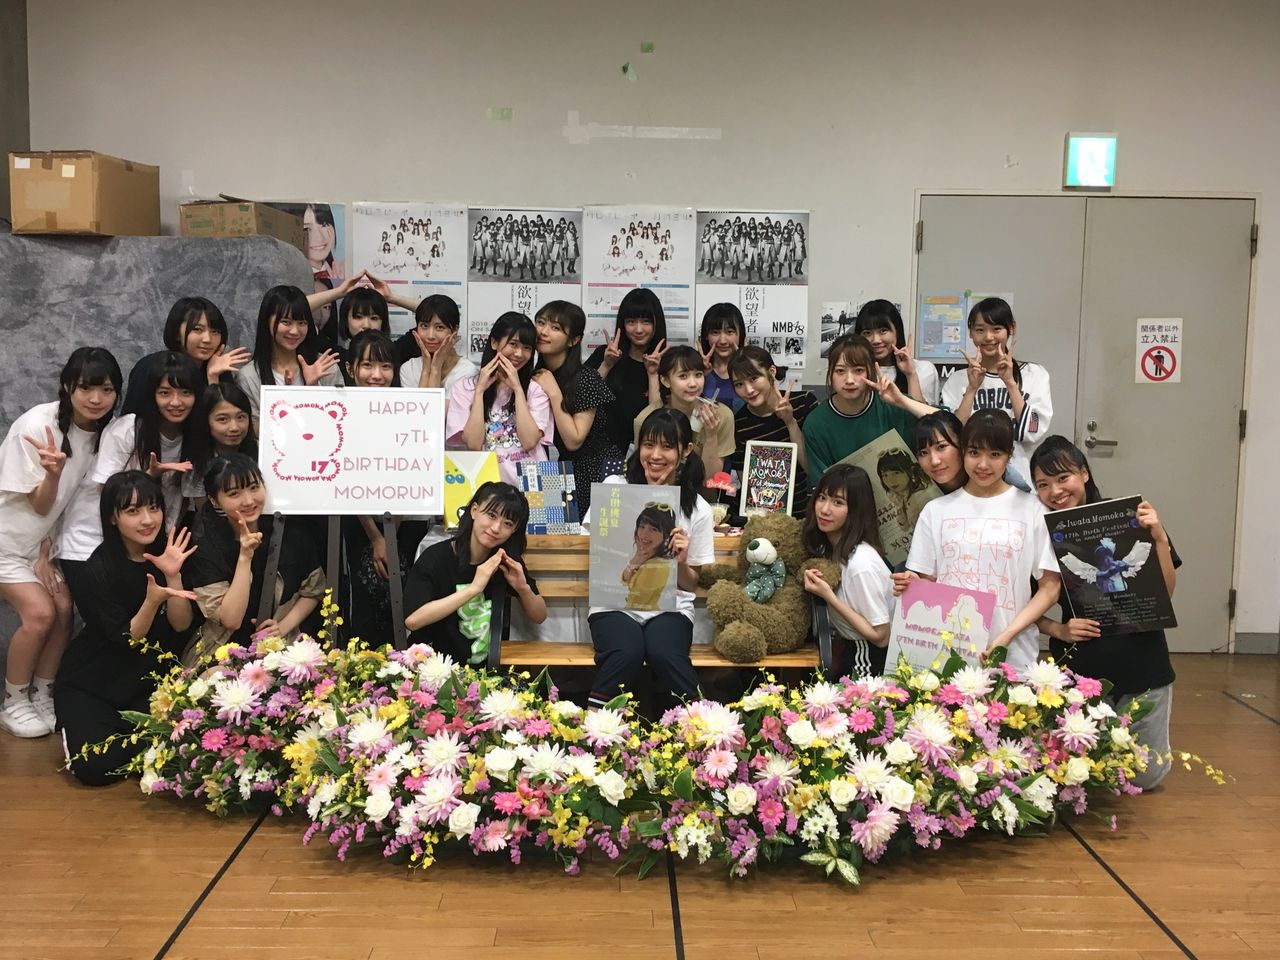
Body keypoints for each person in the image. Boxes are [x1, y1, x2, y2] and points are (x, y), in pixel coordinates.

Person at [1030, 435, 1178, 789]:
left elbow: (1166, 593)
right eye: (1043, 484)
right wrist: (1058, 630)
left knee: (1145, 777)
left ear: (1084, 473)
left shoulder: (1127, 518)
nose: (1055, 491)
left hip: (1142, 662)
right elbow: (1026, 604)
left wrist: (1159, 538)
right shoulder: (1041, 534)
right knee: (1080, 777)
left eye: (1063, 477)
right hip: (1082, 667)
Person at [0, 348, 121, 737]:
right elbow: (40, 504)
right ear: (68, 386)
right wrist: (52, 473)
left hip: (36, 544)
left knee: (65, 610)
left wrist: (46, 552)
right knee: (40, 614)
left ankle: (42, 693)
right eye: (86, 388)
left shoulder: (101, 432)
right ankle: (13, 702)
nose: (96, 399)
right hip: (4, 541)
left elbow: (69, 505)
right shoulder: (38, 426)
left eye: (107, 390)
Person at [56, 472, 198, 783]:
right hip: (94, 683)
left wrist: (173, 576)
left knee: (178, 758)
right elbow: (128, 639)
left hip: (146, 684)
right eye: (133, 511)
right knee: (96, 768)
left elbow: (181, 624)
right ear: (112, 517)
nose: (147, 519)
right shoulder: (97, 567)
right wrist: (151, 601)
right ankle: (79, 730)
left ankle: (131, 739)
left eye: (153, 507)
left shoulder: (171, 554)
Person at [899, 410, 1061, 673]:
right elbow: (927, 584)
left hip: (1014, 655)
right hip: (948, 656)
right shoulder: (935, 511)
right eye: (974, 452)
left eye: (995, 454)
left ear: (1009, 455)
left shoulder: (1032, 509)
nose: (983, 465)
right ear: (963, 451)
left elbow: (1050, 588)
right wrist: (910, 583)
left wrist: (1006, 636)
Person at [587, 408, 713, 711]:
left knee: (665, 653)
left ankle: (702, 725)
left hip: (671, 608)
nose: (656, 455)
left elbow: (691, 585)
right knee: (626, 651)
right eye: (648, 444)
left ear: (686, 451)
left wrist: (680, 561)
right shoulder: (615, 488)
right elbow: (603, 554)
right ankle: (597, 725)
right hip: (614, 605)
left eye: (667, 447)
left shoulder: (697, 508)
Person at [186, 454, 326, 663]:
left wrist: (282, 627)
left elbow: (313, 590)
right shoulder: (207, 547)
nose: (249, 501)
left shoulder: (290, 534)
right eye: (234, 493)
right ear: (214, 500)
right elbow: (231, 620)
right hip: (222, 652)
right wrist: (245, 557)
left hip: (281, 650)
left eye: (254, 487)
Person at [404, 481, 545, 664]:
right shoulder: (436, 557)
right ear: (474, 511)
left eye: (507, 523)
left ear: (514, 530)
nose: (496, 528)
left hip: (486, 669)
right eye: (491, 515)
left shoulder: (505, 561)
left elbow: (539, 616)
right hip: (434, 667)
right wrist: (474, 589)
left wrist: (523, 588)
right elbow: (413, 620)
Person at [941, 297, 1052, 489]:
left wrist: (1010, 382)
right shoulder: (957, 380)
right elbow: (951, 435)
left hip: (1020, 481)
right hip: (970, 479)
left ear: (1011, 328)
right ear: (970, 332)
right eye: (980, 330)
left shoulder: (1034, 374)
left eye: (996, 329)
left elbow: (1033, 430)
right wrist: (971, 389)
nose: (988, 337)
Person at [799, 464, 894, 677]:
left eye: (838, 502)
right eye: (822, 497)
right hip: (850, 649)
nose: (825, 509)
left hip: (870, 658)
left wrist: (829, 597)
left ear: (856, 509)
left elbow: (881, 636)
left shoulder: (861, 563)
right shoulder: (830, 549)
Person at [802, 333, 937, 482]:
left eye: (858, 370)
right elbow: (822, 483)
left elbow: (947, 423)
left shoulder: (895, 407)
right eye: (840, 371)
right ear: (830, 373)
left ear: (871, 371)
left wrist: (903, 401)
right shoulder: (816, 423)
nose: (849, 380)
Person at [531, 300, 622, 515]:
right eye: (541, 323)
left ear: (574, 340)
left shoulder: (585, 377)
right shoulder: (535, 377)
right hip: (557, 468)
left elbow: (574, 440)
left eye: (555, 328)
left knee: (593, 534)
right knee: (554, 532)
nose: (544, 332)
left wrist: (554, 392)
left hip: (598, 471)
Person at [446, 312, 554, 487]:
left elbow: (529, 442)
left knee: (553, 504)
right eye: (513, 344)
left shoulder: (536, 389)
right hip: (488, 486)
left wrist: (518, 390)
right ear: (494, 342)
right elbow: (473, 444)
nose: (519, 353)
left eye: (527, 348)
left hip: (536, 484)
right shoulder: (465, 388)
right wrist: (479, 391)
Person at [727, 344, 817, 518]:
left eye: (754, 378)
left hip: (801, 517)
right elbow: (749, 487)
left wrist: (790, 422)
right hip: (760, 518)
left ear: (772, 372)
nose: (749, 390)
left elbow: (812, 469)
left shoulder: (804, 403)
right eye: (739, 384)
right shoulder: (739, 424)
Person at [235, 285, 343, 428]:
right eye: (286, 322)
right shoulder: (249, 377)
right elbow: (252, 431)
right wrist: (288, 398)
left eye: (302, 323)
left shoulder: (326, 367)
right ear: (267, 321)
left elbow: (340, 420)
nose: (295, 331)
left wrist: (314, 389)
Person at [121, 297, 250, 415]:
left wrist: (213, 379)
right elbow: (130, 420)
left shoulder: (219, 369)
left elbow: (224, 422)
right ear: (177, 333)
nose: (207, 339)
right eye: (197, 329)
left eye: (215, 331)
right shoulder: (150, 367)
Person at [584, 288, 666, 457]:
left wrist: (653, 374)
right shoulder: (604, 355)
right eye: (631, 322)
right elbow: (581, 398)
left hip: (649, 456)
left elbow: (659, 419)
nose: (638, 329)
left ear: (656, 323)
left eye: (646, 322)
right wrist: (606, 365)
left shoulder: (667, 363)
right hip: (602, 454)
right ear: (622, 324)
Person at [633, 347, 735, 482]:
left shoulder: (721, 415)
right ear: (665, 380)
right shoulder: (646, 419)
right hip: (661, 489)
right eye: (683, 376)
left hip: (703, 493)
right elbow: (644, 470)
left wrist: (711, 435)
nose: (693, 384)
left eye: (698, 375)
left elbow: (709, 479)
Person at [182, 380, 258, 514]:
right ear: (206, 422)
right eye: (222, 419)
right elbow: (204, 513)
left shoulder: (263, 453)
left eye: (241, 417)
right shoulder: (197, 462)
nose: (234, 427)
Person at [853, 299, 940, 406]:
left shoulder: (923, 369)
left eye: (883, 331)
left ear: (897, 332)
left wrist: (910, 374)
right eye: (867, 333)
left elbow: (924, 415)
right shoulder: (852, 372)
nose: (876, 340)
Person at [396, 294, 479, 394]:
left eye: (440, 327)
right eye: (424, 326)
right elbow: (419, 404)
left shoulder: (467, 372)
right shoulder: (409, 368)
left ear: (455, 330)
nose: (430, 336)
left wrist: (435, 368)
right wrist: (426, 370)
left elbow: (432, 404)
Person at [621, 502, 676, 611]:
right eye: (642, 526)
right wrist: (638, 557)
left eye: (653, 529)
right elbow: (625, 579)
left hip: (646, 615)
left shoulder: (658, 566)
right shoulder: (646, 556)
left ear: (665, 534)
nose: (644, 535)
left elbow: (636, 603)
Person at [699, 303, 747, 411]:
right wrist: (700, 375)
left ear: (740, 334)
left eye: (729, 332)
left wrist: (746, 367)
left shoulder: (752, 368)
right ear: (706, 335)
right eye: (715, 332)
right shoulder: (696, 369)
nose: (722, 341)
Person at [876, 449, 933, 531]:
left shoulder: (921, 497)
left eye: (896, 473)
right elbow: (904, 527)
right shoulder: (903, 496)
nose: (891, 480)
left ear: (909, 471)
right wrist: (899, 507)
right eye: (885, 475)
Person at [913, 410, 968, 494]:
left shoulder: (987, 482)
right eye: (923, 453)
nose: (934, 462)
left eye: (941, 447)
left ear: (962, 443)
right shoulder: (920, 497)